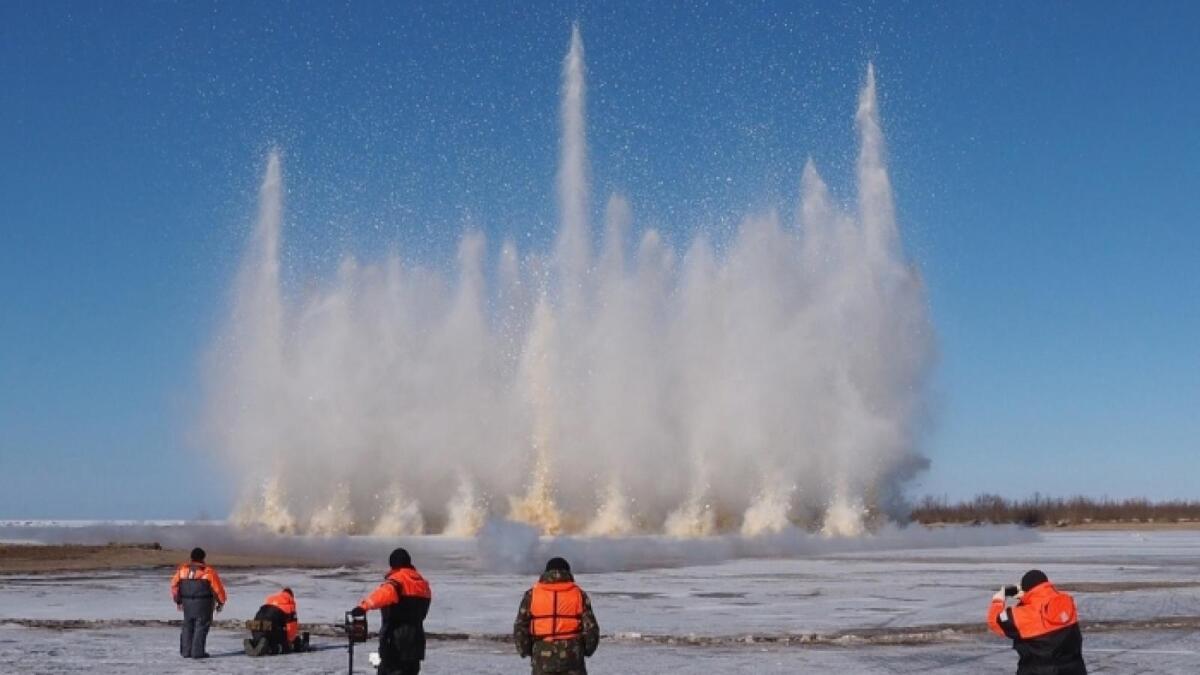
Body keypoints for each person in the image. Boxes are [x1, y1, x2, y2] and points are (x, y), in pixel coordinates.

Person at [987, 569, 1087, 675]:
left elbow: (996, 622)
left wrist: (998, 601)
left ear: (1026, 590)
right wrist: (1026, 598)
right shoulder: (1066, 603)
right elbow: (1042, 606)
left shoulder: (1025, 615)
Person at [350, 547, 432, 675]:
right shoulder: (423, 584)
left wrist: (363, 607)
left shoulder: (397, 582)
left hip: (396, 642)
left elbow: (381, 595)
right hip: (416, 642)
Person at [514, 557, 600, 675]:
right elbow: (591, 628)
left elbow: (520, 626)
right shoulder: (579, 594)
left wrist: (526, 650)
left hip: (542, 655)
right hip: (572, 655)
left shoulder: (532, 594)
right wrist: (586, 650)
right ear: (568, 572)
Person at [169, 547, 227, 659]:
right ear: (203, 558)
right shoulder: (208, 572)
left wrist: (178, 600)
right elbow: (218, 590)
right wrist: (221, 602)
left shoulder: (182, 571)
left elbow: (174, 586)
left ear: (191, 557)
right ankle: (197, 653)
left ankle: (186, 652)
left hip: (187, 603)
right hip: (204, 604)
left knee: (188, 626)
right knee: (201, 626)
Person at [245, 587, 309, 656]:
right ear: (291, 596)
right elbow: (291, 629)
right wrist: (290, 643)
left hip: (254, 625)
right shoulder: (289, 603)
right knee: (284, 647)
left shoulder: (271, 600)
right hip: (270, 625)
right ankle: (269, 648)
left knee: (263, 638)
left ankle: (253, 643)